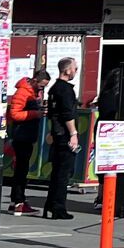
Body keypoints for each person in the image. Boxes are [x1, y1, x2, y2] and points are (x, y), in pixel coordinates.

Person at [5, 68, 50, 215]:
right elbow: (14, 114)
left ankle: (16, 201)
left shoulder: (32, 92)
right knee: (21, 170)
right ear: (35, 80)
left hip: (26, 135)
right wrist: (35, 114)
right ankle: (19, 201)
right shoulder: (23, 92)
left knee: (21, 170)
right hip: (21, 136)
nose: (43, 88)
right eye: (42, 85)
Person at [44, 56, 81, 220]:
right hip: (65, 136)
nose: (75, 71)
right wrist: (73, 134)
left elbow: (52, 114)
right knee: (63, 173)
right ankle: (59, 207)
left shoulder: (53, 89)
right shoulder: (66, 90)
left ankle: (50, 205)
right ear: (67, 70)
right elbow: (68, 114)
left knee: (56, 172)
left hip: (56, 134)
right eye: (74, 68)